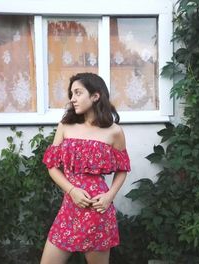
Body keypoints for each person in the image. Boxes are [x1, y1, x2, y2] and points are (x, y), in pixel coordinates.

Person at [40, 72, 131, 264]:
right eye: (71, 94)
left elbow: (122, 168)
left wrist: (109, 197)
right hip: (69, 207)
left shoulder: (114, 131)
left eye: (78, 93)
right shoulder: (65, 126)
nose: (72, 99)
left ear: (95, 96)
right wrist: (72, 190)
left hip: (98, 209)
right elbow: (52, 166)